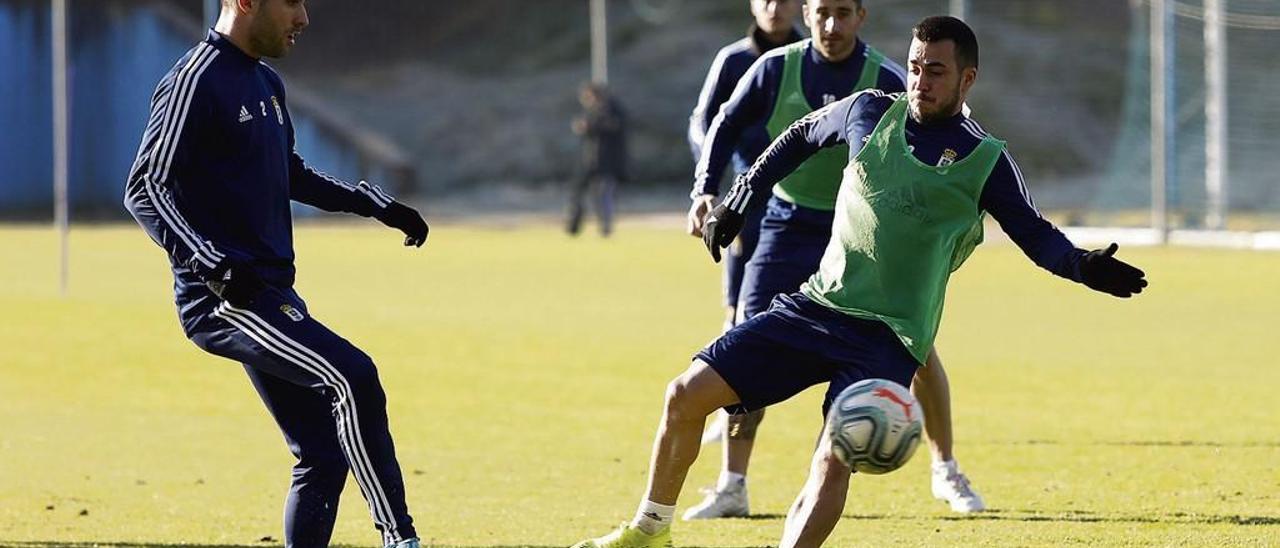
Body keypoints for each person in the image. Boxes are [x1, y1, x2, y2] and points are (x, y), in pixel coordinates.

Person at [574, 15, 1147, 548]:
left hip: (888, 338)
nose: (920, 80)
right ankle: (650, 531)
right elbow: (799, 135)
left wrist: (1084, 266)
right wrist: (740, 199)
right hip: (816, 306)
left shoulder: (986, 161)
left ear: (967, 79)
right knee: (684, 396)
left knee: (832, 459)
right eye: (916, 65)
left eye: (936, 71)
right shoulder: (869, 111)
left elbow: (1036, 234)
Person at [122, 1, 428, 546]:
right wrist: (212, 264)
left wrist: (373, 205)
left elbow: (291, 173)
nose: (304, 18)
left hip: (271, 293)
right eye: (291, 2)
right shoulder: (194, 80)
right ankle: (400, 538)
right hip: (224, 301)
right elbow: (146, 186)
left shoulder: (266, 82)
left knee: (321, 453)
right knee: (353, 376)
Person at [684, 0, 983, 520]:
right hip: (786, 221)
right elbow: (724, 124)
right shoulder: (775, 67)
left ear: (861, 17)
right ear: (808, 13)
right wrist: (706, 191)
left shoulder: (887, 77)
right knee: (748, 336)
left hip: (860, 231)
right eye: (822, 11)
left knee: (917, 346)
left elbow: (938, 135)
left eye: (843, 13)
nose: (832, 24)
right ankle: (733, 483)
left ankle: (946, 469)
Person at [568, 83, 628, 237]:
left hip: (607, 162)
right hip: (589, 161)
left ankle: (605, 228)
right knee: (578, 193)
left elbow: (614, 127)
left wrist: (591, 126)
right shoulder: (591, 112)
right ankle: (574, 225)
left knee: (603, 195)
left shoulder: (612, 110)